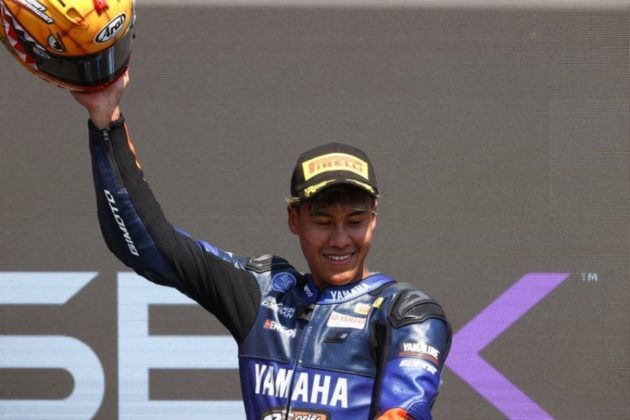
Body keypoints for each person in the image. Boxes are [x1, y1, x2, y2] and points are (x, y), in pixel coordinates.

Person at [72, 71, 452, 420]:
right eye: (323, 222)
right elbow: (147, 243)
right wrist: (106, 117)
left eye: (355, 222)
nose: (340, 239)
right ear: (294, 219)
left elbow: (407, 410)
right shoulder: (265, 294)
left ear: (374, 218)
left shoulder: (405, 313)